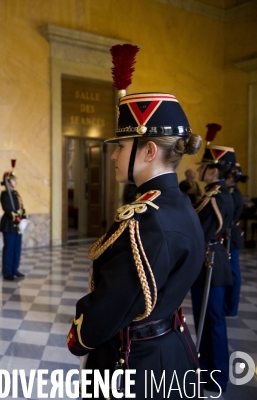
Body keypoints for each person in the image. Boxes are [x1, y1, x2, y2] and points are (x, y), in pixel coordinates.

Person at [66, 44, 204, 399]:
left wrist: (81, 332)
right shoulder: (178, 205)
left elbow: (110, 310)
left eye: (121, 146)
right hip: (171, 349)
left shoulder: (147, 222)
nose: (113, 154)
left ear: (148, 151)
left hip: (135, 365)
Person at [190, 135, 236, 393]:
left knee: (212, 321)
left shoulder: (216, 197)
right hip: (212, 261)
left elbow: (202, 232)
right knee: (206, 320)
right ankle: (207, 369)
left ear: (214, 170)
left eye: (204, 166)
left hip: (210, 263)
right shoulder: (214, 194)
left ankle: (216, 375)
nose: (199, 170)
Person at [224, 164, 248, 317]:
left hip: (231, 236)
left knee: (233, 272)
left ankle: (231, 308)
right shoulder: (230, 192)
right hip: (229, 234)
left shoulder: (233, 193)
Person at [0, 161, 28, 281]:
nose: (16, 182)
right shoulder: (5, 195)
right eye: (13, 180)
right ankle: (7, 272)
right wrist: (18, 220)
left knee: (17, 248)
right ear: (8, 182)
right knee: (9, 248)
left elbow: (21, 208)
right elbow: (8, 210)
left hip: (18, 225)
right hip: (10, 225)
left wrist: (24, 219)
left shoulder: (16, 194)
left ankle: (14, 269)